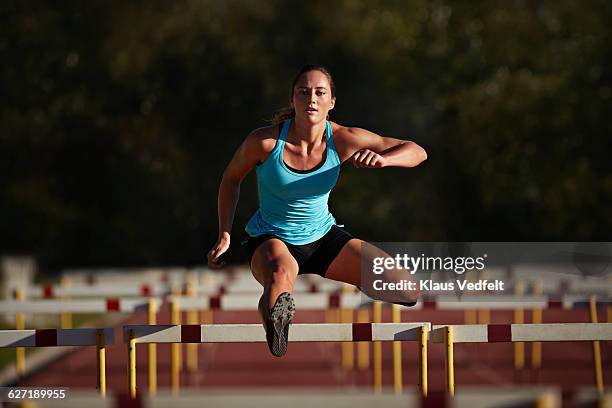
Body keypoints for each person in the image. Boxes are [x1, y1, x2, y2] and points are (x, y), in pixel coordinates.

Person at [207, 65, 427, 357]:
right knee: (280, 273)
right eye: (304, 91)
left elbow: (417, 151)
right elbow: (231, 179)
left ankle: (359, 283)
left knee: (407, 290)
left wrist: (385, 161)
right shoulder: (264, 142)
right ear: (293, 99)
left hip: (323, 238)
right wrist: (225, 233)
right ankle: (275, 319)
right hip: (272, 237)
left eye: (320, 92)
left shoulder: (345, 139)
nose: (311, 98)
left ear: (331, 103)